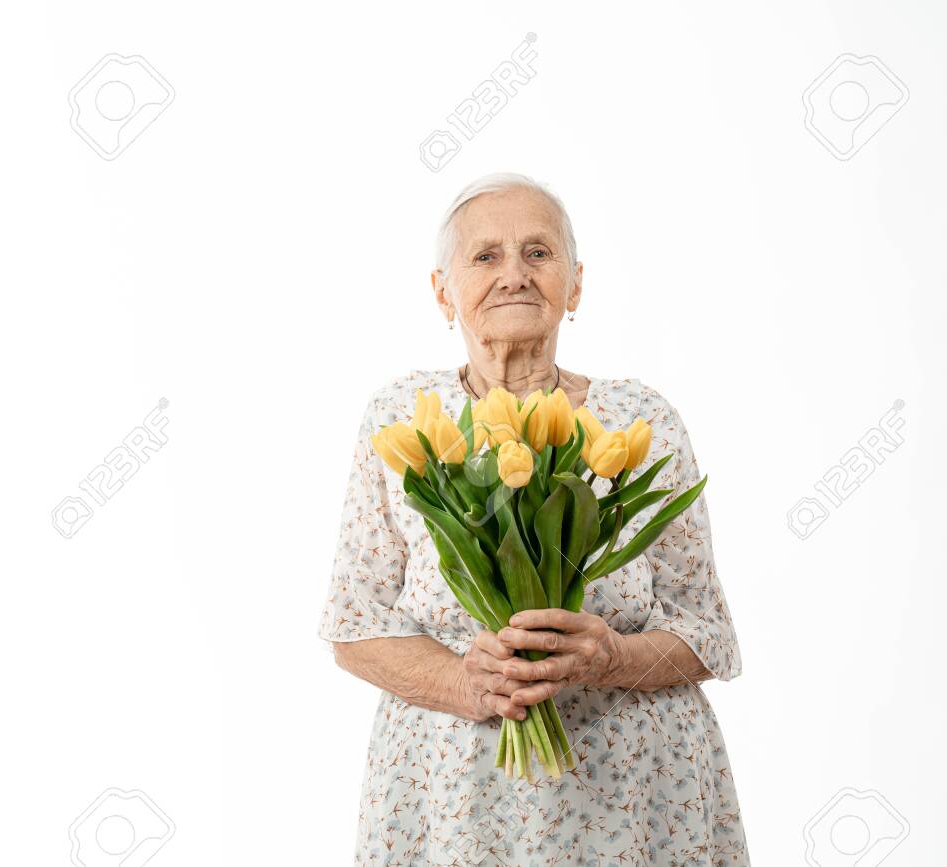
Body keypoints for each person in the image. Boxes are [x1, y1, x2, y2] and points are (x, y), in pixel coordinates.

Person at [318, 173, 749, 864]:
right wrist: (465, 681)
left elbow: (707, 633)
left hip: (631, 791)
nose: (514, 273)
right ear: (442, 290)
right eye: (485, 256)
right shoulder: (402, 419)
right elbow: (352, 624)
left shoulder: (639, 419)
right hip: (453, 800)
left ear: (574, 285)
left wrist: (611, 657)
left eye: (539, 253)